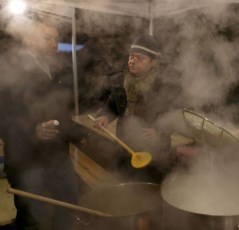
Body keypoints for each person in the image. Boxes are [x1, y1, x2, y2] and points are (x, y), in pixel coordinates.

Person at [0, 18, 87, 229]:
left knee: (68, 202)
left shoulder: (53, 67)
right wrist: (33, 131)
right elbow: (3, 118)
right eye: (48, 38)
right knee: (33, 216)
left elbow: (58, 111)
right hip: (27, 160)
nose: (55, 44)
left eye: (56, 38)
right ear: (29, 39)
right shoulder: (8, 69)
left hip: (57, 154)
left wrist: (79, 133)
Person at [93, 34, 181, 183]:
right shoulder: (122, 81)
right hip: (125, 146)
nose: (132, 61)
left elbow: (176, 115)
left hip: (154, 149)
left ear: (153, 62)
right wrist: (105, 116)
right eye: (131, 56)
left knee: (151, 188)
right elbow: (112, 105)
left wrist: (160, 131)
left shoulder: (165, 86)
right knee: (125, 186)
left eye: (139, 58)